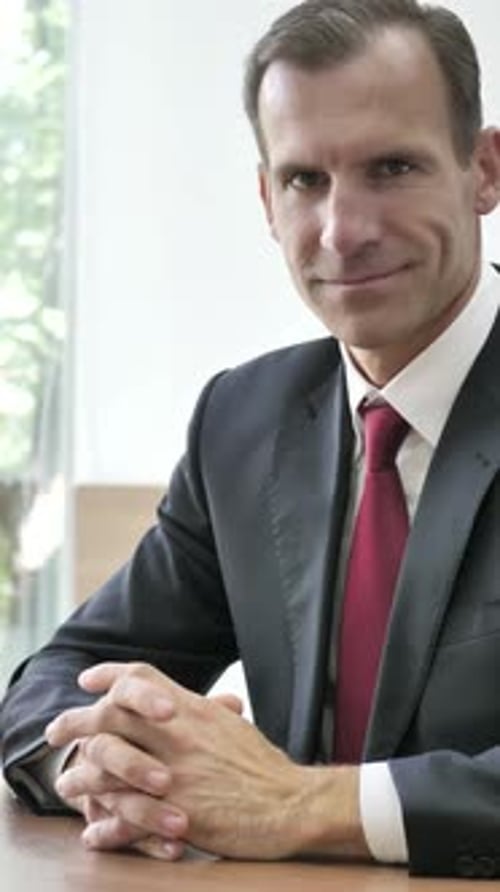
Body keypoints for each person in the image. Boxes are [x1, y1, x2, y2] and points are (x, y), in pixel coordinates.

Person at [2, 0, 500, 878]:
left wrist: (300, 805)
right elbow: (64, 671)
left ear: (485, 171)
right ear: (268, 199)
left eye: (392, 167)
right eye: (306, 179)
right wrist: (101, 764)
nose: (344, 230)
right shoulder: (246, 417)